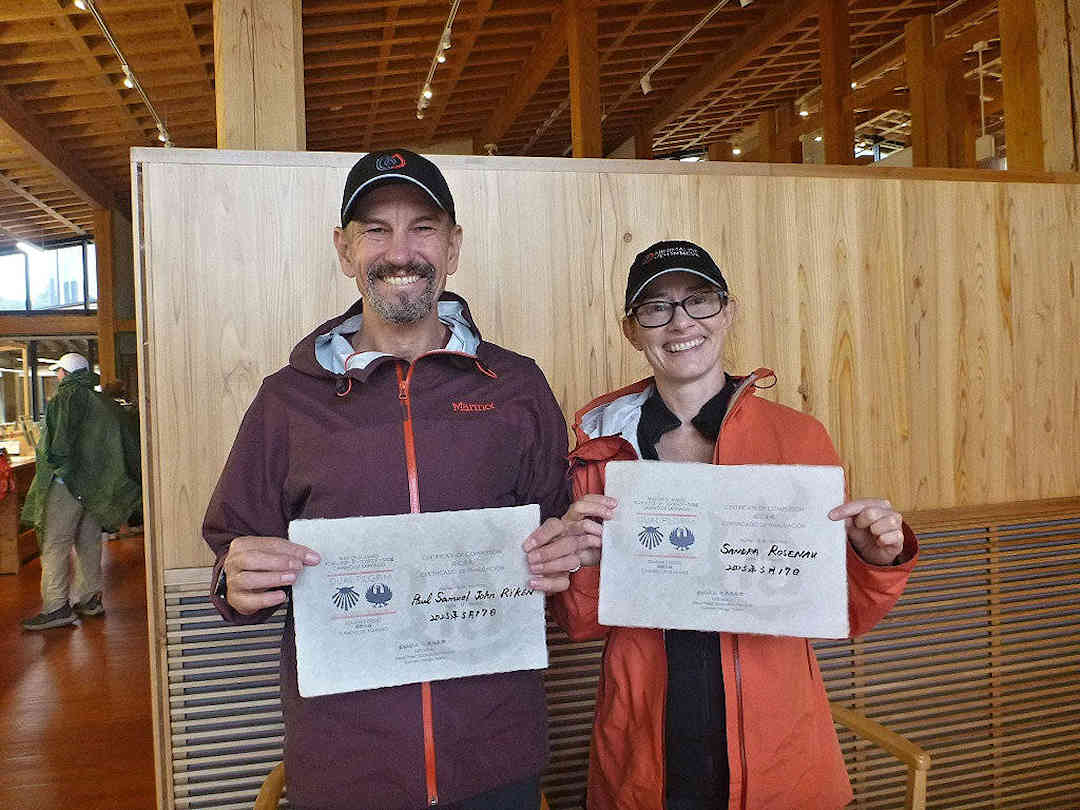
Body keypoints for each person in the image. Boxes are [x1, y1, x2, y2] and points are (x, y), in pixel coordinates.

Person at [202, 149, 583, 810]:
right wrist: (232, 583)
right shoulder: (288, 402)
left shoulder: (517, 386)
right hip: (347, 770)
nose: (400, 251)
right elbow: (231, 551)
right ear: (345, 250)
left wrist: (570, 549)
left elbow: (564, 530)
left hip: (495, 759)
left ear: (454, 247)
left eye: (424, 227)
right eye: (376, 229)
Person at [526, 240, 919, 809]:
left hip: (778, 746)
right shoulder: (600, 450)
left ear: (728, 311)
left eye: (699, 300)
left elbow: (846, 612)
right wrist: (579, 562)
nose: (680, 321)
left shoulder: (798, 437)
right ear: (631, 330)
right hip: (644, 744)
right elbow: (584, 625)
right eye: (655, 307)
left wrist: (874, 559)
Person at [21, 352, 142, 630]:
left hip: (67, 484)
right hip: (95, 489)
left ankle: (56, 607)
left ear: (65, 373)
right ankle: (89, 599)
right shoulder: (104, 402)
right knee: (88, 541)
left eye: (58, 372)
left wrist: (60, 471)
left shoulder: (65, 399)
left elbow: (59, 447)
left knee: (55, 543)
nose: (57, 376)